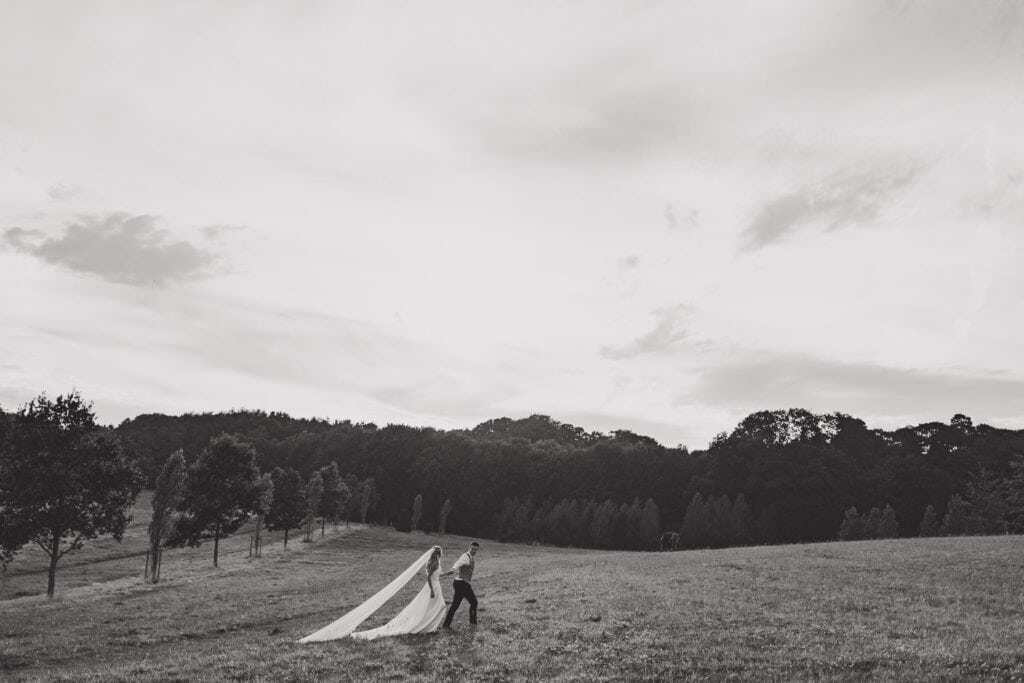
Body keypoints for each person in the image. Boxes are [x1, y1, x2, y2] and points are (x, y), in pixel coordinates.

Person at [298, 546, 446, 642]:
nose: (439, 555)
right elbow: (428, 577)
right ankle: (425, 626)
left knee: (436, 607)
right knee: (438, 606)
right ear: (435, 554)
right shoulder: (433, 563)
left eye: (439, 553)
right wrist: (432, 590)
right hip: (432, 588)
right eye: (438, 553)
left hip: (435, 586)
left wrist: (448, 574)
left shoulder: (436, 563)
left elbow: (436, 576)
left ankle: (427, 626)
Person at [441, 541, 479, 629]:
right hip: (462, 583)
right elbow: (458, 562)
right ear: (470, 547)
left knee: (455, 604)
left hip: (461, 583)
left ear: (477, 550)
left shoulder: (472, 557)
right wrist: (453, 569)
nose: (473, 551)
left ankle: (446, 624)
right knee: (474, 602)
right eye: (472, 549)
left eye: (475, 550)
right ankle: (473, 623)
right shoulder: (465, 556)